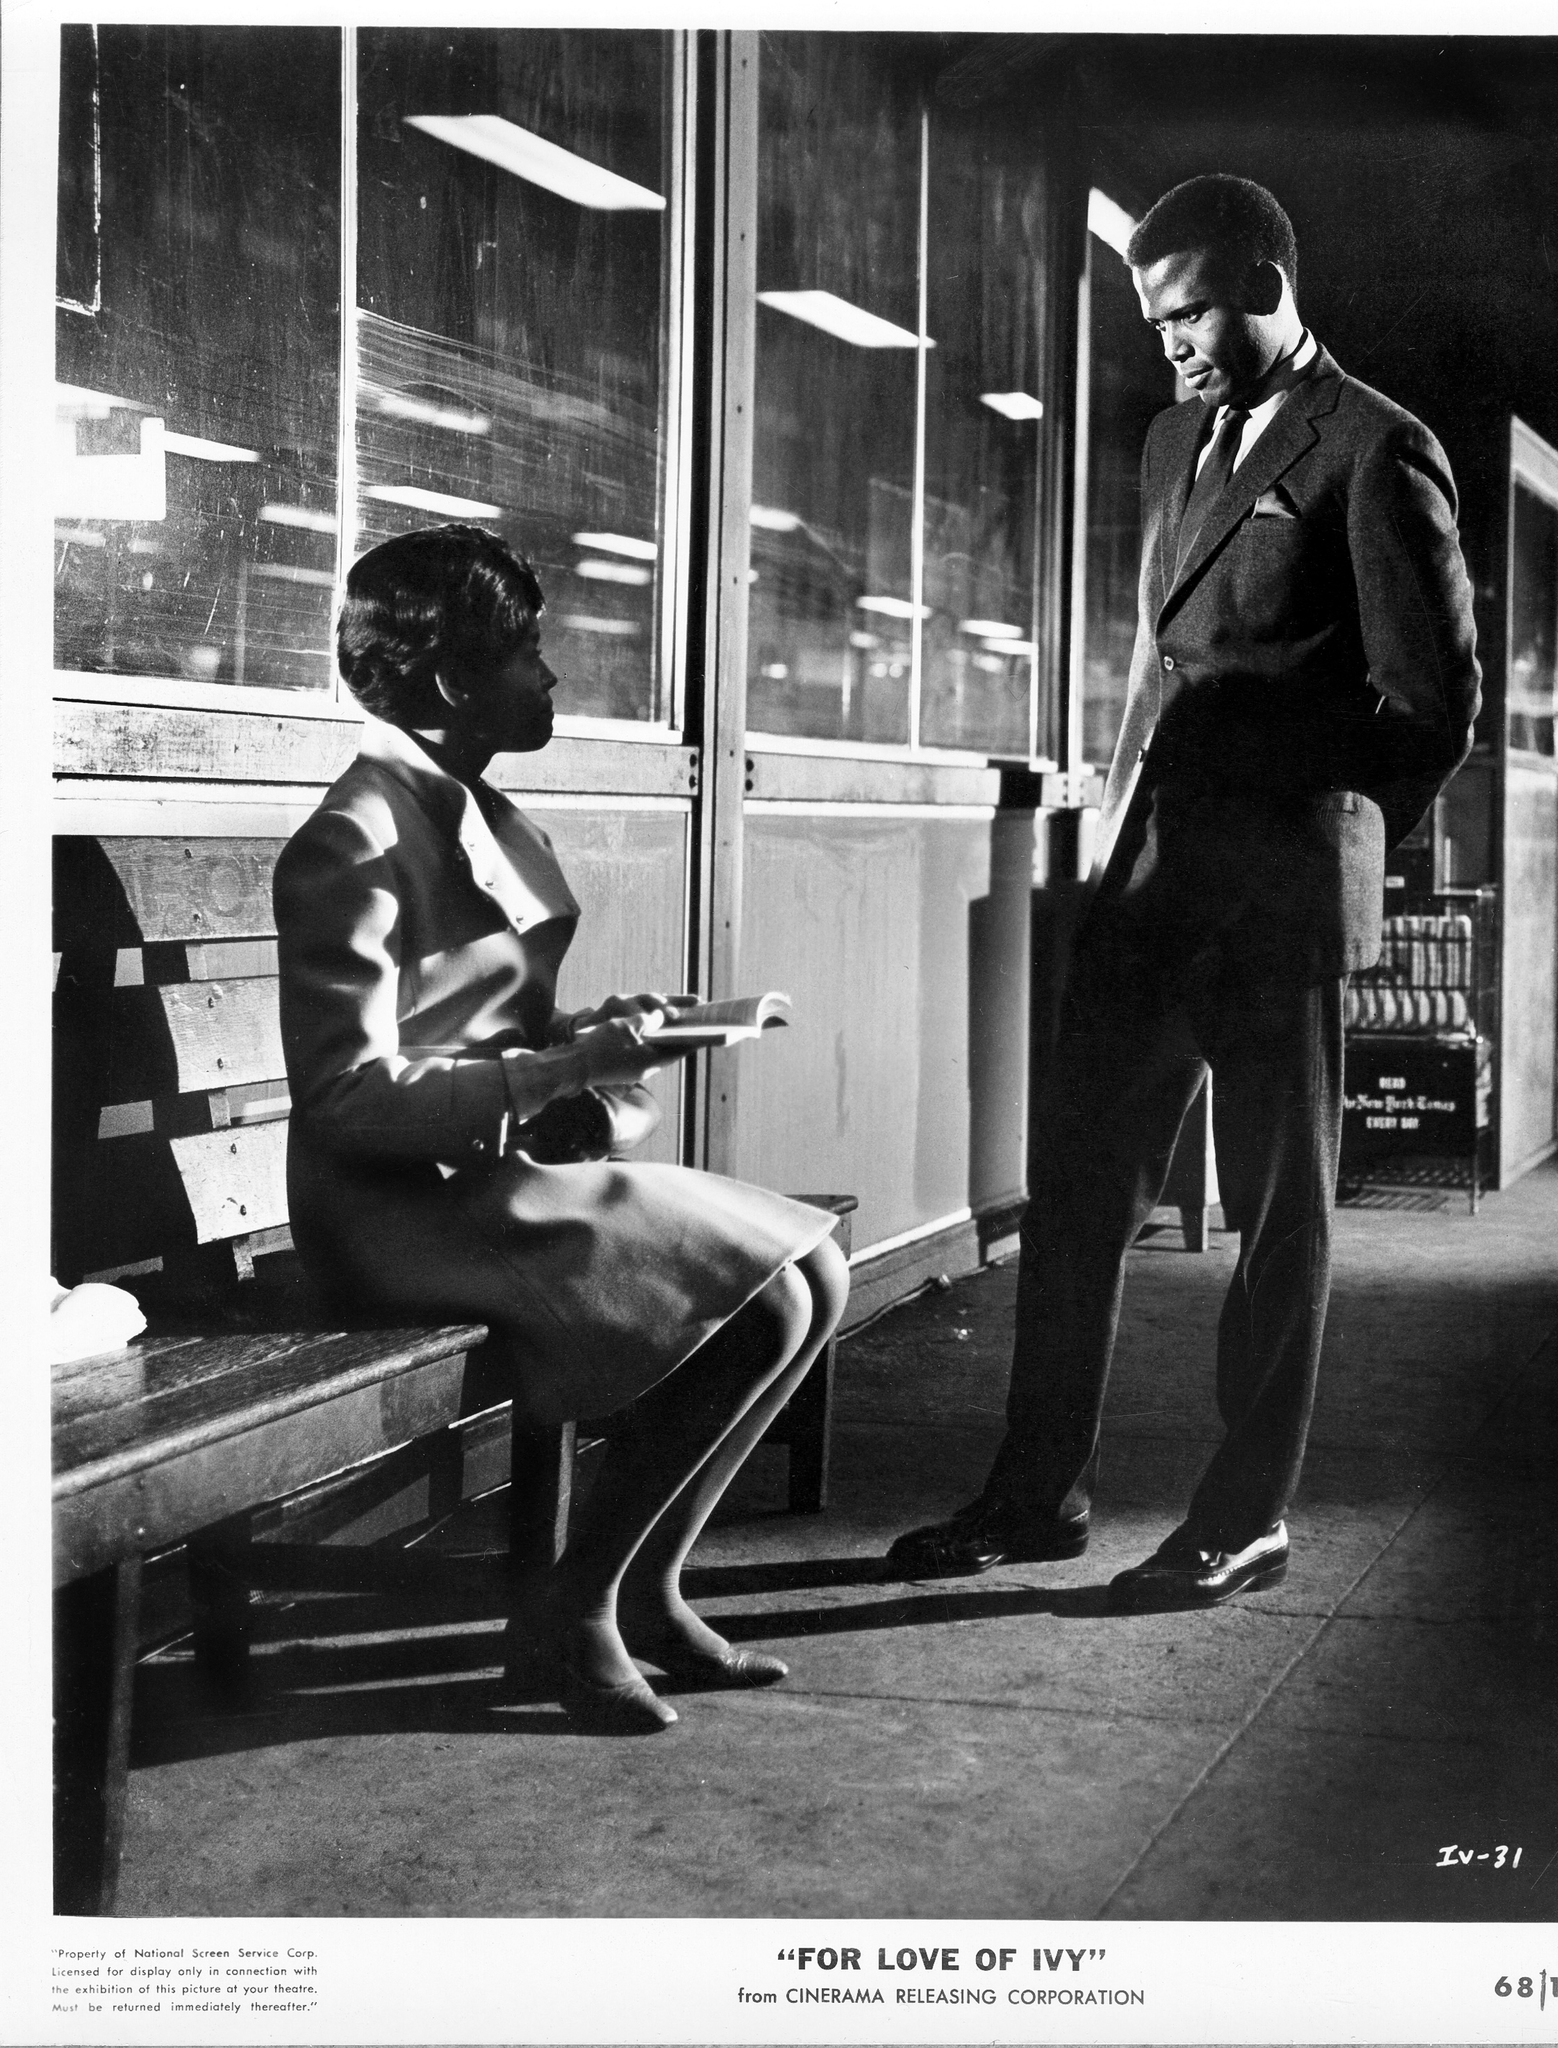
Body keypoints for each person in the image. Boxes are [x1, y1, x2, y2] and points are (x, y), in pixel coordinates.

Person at [887, 174, 1481, 1609]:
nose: (1180, 348)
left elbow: (1435, 701)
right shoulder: (1172, 442)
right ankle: (1037, 1495)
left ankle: (1244, 1515)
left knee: (1284, 1217)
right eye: (1160, 325)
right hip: (1146, 883)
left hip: (1271, 899)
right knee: (1079, 1192)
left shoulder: (1377, 448)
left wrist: (1316, 833)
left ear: (1270, 277)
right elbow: (1173, 654)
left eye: (1198, 313)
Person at [275, 524, 847, 1731]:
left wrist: (607, 1032)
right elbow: (346, 1098)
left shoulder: (465, 805)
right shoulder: (358, 835)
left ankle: (642, 1585)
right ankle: (577, 1603)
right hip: (392, 1212)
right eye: (527, 650)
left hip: (480, 1183)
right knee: (776, 1296)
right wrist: (564, 1067)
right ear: (447, 682)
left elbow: (485, 1026)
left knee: (820, 1273)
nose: (551, 678)